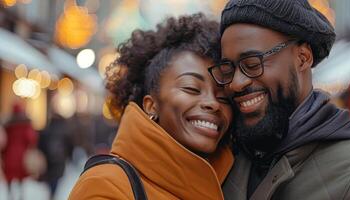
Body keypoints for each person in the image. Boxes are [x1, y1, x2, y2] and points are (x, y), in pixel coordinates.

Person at [207, 0, 350, 199]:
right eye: (228, 68)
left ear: (303, 57)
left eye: (252, 64)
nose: (236, 83)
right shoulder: (222, 161)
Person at [69, 13, 233, 200]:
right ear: (151, 105)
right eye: (192, 88)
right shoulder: (106, 186)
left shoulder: (231, 181)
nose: (213, 103)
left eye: (224, 97)